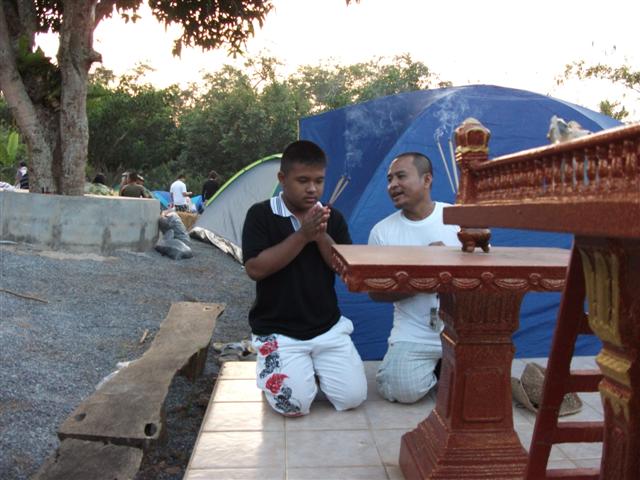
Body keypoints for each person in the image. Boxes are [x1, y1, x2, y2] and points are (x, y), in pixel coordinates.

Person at [241, 140, 367, 417]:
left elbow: (344, 268)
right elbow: (255, 269)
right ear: (282, 179)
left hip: (327, 326)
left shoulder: (332, 218)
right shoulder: (261, 214)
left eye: (319, 181)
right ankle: (277, 363)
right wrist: (302, 235)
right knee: (293, 405)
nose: (312, 188)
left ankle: (308, 369)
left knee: (353, 398)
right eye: (303, 181)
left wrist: (320, 234)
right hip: (278, 329)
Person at [368, 152, 459, 404]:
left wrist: (449, 264)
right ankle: (439, 372)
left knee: (481, 389)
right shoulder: (382, 232)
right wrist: (421, 277)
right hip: (413, 334)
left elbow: (483, 276)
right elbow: (375, 293)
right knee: (401, 390)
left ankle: (444, 370)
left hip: (460, 330)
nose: (392, 185)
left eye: (401, 176)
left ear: (427, 179)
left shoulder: (458, 219)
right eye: (389, 179)